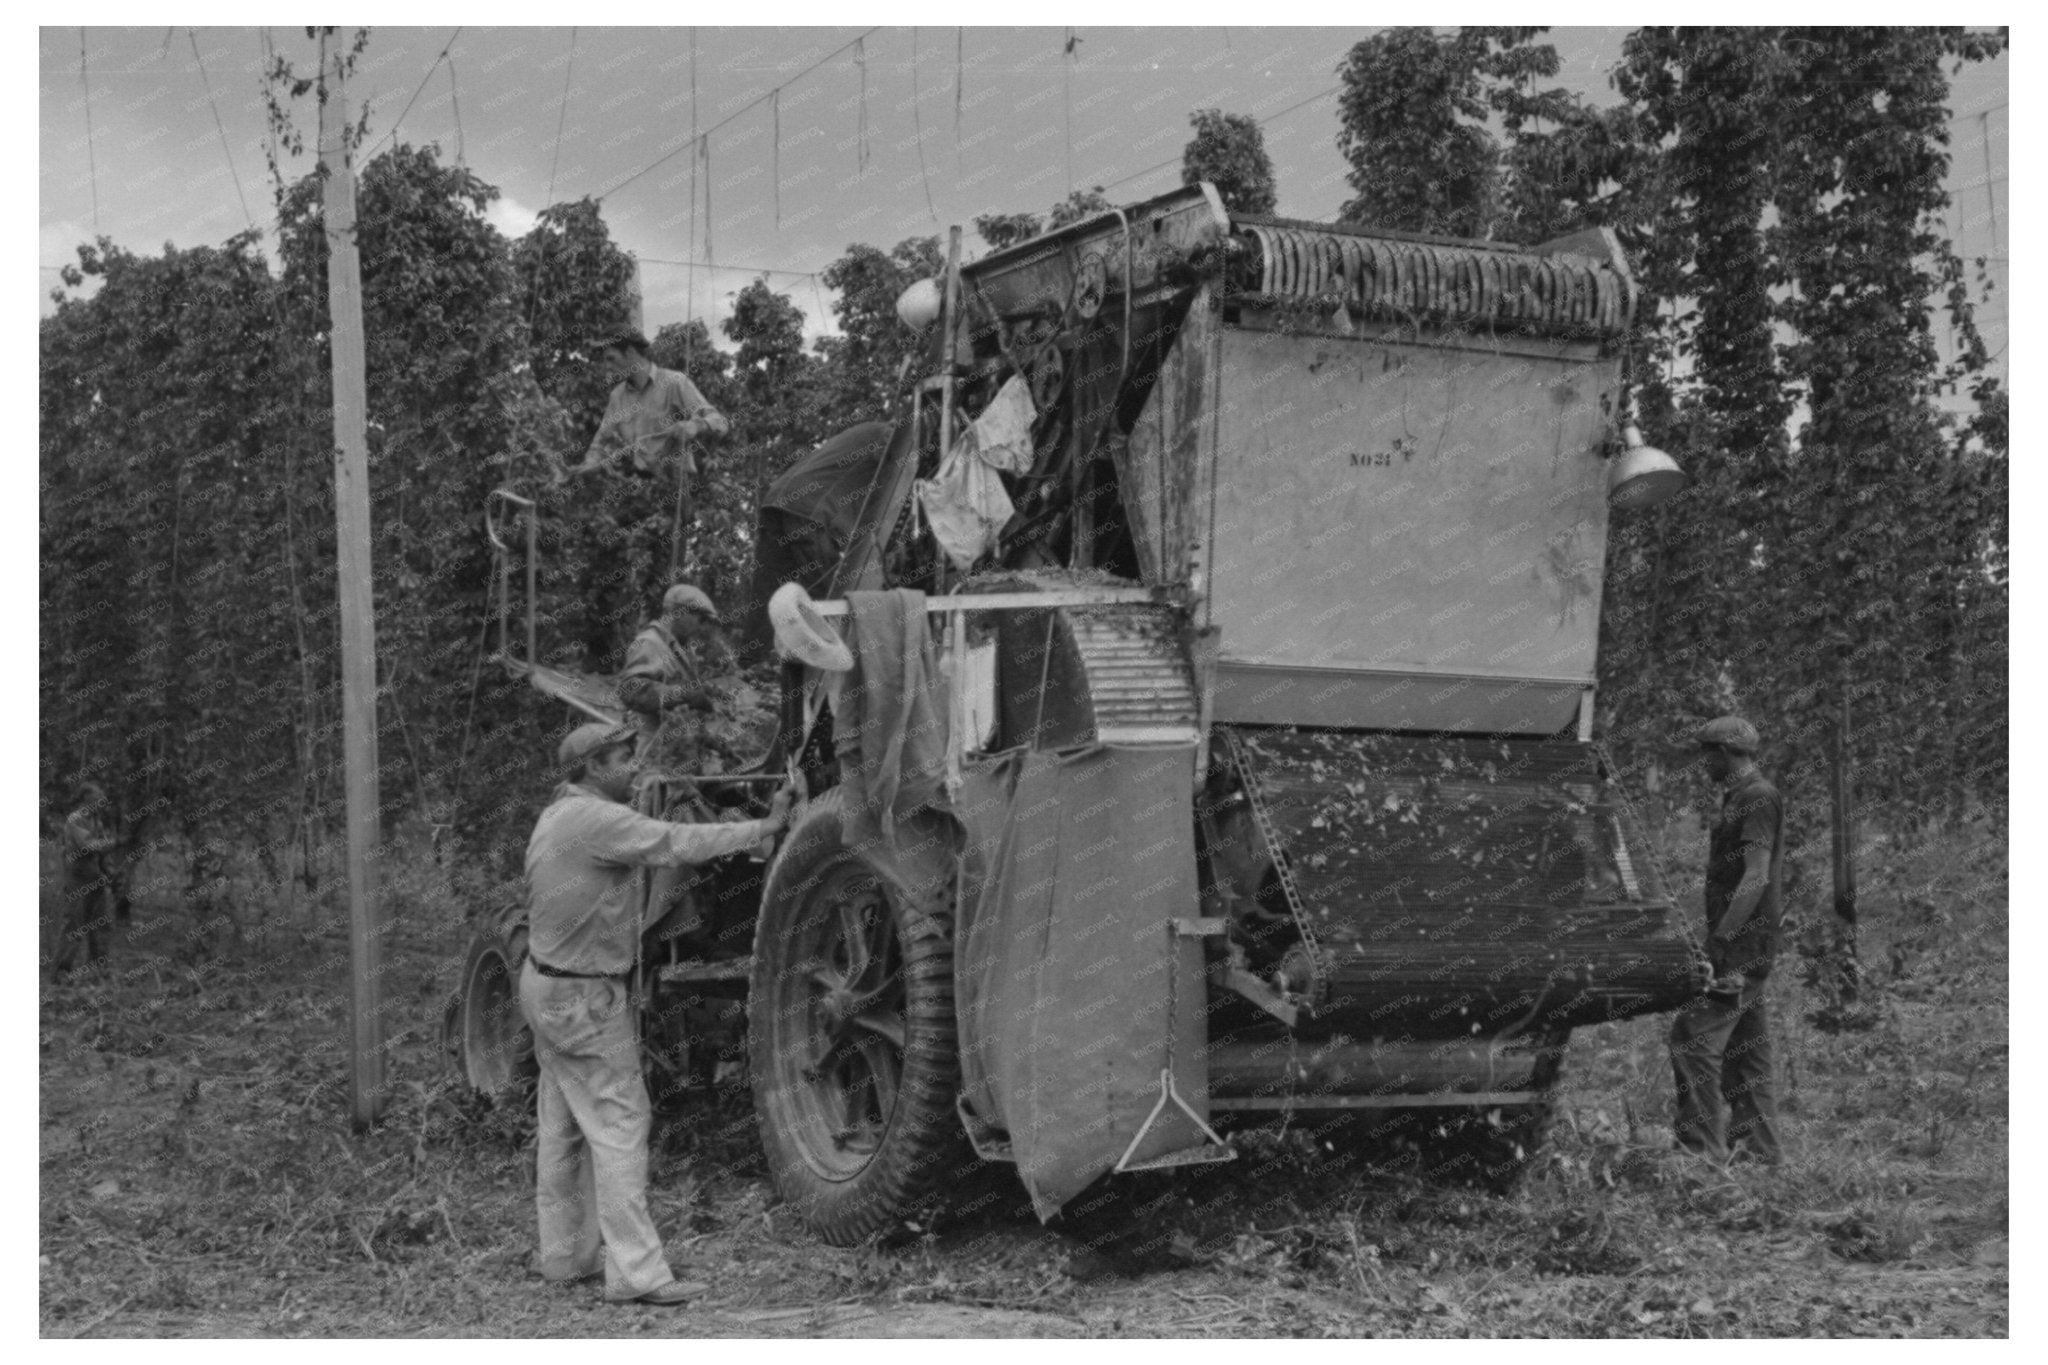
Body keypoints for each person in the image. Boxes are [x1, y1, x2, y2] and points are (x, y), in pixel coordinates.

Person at [521, 720, 792, 1306]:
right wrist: (766, 827)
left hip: (546, 987)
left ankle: (565, 1257)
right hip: (584, 998)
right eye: (623, 759)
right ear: (594, 768)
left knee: (564, 1127)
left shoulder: (556, 816)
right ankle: (638, 1276)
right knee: (621, 1126)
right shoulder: (598, 820)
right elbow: (676, 842)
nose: (634, 769)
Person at [1669, 715, 1786, 1166]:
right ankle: (1761, 1155)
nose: (1703, 763)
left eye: (1706, 753)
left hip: (1742, 946)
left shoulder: (1757, 797)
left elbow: (1755, 876)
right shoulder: (1740, 795)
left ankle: (1701, 1155)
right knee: (1748, 1052)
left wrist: (1720, 939)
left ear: (1725, 753)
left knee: (1692, 1038)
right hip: (1747, 942)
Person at [561, 330, 728, 485]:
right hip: (636, 489)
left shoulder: (674, 382)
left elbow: (719, 422)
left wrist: (695, 425)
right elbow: (600, 442)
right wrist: (589, 464)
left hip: (675, 487)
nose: (608, 367)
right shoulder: (617, 396)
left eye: (611, 358)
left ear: (630, 353)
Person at [618, 583, 731, 776]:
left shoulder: (682, 650)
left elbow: (684, 711)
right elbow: (631, 690)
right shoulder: (651, 643)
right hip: (654, 761)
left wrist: (715, 744)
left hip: (679, 760)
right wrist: (686, 694)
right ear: (679, 613)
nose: (702, 626)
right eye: (700, 618)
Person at [53, 782, 119, 979]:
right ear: (85, 800)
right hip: (77, 877)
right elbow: (88, 845)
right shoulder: (75, 820)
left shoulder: (96, 820)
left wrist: (109, 871)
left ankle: (98, 968)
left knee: (101, 922)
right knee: (73, 924)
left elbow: (101, 852)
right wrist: (112, 843)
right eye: (97, 799)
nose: (101, 803)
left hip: (95, 876)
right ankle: (61, 973)